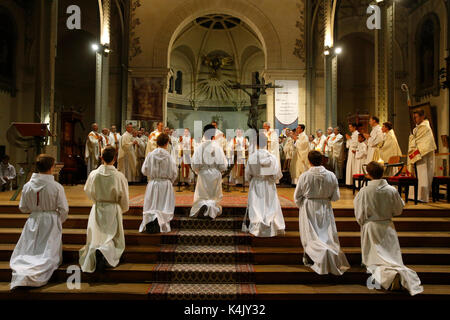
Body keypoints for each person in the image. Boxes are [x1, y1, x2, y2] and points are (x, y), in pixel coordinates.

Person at [354, 161, 423, 296]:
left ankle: (389, 276)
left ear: (368, 174)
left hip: (371, 227)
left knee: (374, 260)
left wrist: (363, 223)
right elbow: (398, 209)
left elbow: (359, 213)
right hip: (387, 227)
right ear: (383, 173)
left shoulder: (365, 191)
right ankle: (396, 273)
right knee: (392, 258)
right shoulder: (391, 190)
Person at [10, 154, 68, 289]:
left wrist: (36, 212)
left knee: (30, 249)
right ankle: (34, 275)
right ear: (52, 167)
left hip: (33, 220)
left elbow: (23, 208)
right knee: (47, 252)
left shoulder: (27, 186)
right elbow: (64, 209)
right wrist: (57, 220)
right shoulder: (56, 187)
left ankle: (24, 275)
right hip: (51, 220)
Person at [294, 151, 349, 275]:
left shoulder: (305, 176)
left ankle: (317, 256)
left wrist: (302, 206)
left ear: (309, 161)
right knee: (326, 234)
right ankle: (327, 252)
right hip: (325, 207)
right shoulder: (331, 175)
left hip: (309, 207)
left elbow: (297, 196)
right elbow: (336, 197)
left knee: (310, 235)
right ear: (322, 160)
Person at [79, 147, 129, 273]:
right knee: (112, 237)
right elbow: (124, 196)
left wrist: (97, 200)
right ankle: (105, 252)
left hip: (98, 207)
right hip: (113, 208)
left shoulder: (93, 174)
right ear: (115, 159)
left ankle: (97, 250)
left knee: (97, 236)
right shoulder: (119, 176)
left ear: (101, 158)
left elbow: (88, 191)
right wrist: (122, 208)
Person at [245, 134, 285, 237]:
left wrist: (252, 179)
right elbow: (277, 174)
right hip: (269, 184)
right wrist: (270, 178)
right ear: (267, 143)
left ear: (256, 144)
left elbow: (248, 174)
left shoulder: (253, 157)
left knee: (256, 205)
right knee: (269, 204)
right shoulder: (272, 157)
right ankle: (271, 224)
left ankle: (257, 225)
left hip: (257, 183)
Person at [140, 133, 177, 233]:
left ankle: (151, 222)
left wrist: (152, 177)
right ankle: (162, 224)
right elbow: (174, 173)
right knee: (164, 206)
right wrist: (170, 181)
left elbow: (144, 170)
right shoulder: (169, 156)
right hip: (165, 184)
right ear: (166, 143)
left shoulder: (150, 155)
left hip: (153, 183)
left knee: (152, 205)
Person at [190, 124, 227, 219]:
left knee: (202, 195)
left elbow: (195, 164)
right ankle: (211, 209)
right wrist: (218, 171)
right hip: (215, 173)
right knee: (213, 196)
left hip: (203, 173)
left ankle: (203, 206)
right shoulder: (217, 147)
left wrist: (198, 171)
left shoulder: (199, 147)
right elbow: (223, 165)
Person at [408, 110, 437, 202]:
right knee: (417, 175)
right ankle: (414, 195)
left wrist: (412, 139)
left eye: (416, 117)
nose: (414, 119)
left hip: (423, 155)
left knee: (423, 174)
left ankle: (422, 196)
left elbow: (423, 142)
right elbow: (415, 140)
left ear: (422, 117)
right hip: (417, 154)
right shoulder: (417, 128)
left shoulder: (425, 128)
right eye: (414, 118)